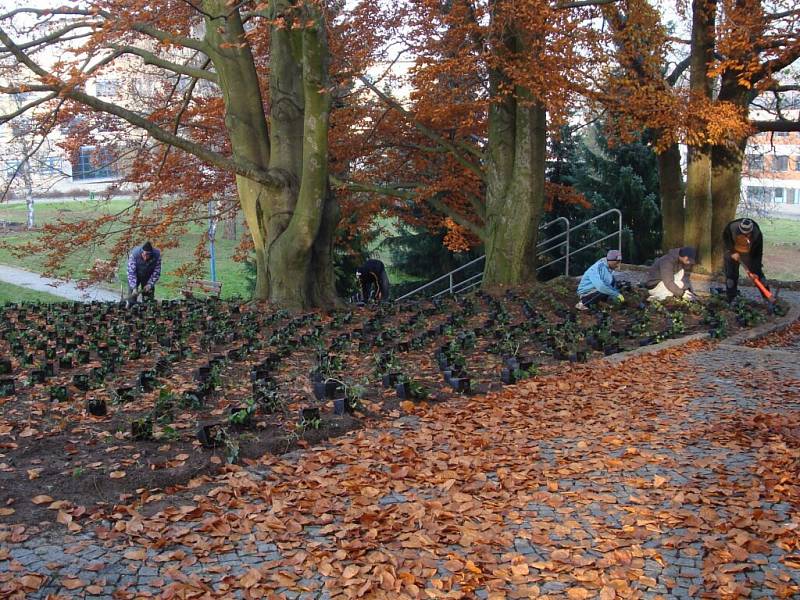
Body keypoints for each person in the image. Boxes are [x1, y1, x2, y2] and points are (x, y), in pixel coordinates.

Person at [722, 217, 768, 302]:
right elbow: (726, 239)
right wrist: (732, 251)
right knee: (731, 275)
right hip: (732, 251)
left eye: (748, 234)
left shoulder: (757, 234)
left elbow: (757, 254)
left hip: (748, 253)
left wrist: (756, 268)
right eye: (743, 233)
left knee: (757, 274)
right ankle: (731, 298)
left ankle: (767, 297)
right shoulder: (732, 227)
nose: (746, 236)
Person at [124, 241, 161, 307]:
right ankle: (130, 310)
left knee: (148, 300)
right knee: (131, 298)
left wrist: (150, 284)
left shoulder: (157, 256)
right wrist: (134, 287)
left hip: (148, 276)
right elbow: (131, 272)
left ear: (151, 253)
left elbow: (157, 272)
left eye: (148, 255)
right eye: (144, 255)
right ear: (141, 252)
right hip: (136, 275)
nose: (146, 257)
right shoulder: (134, 255)